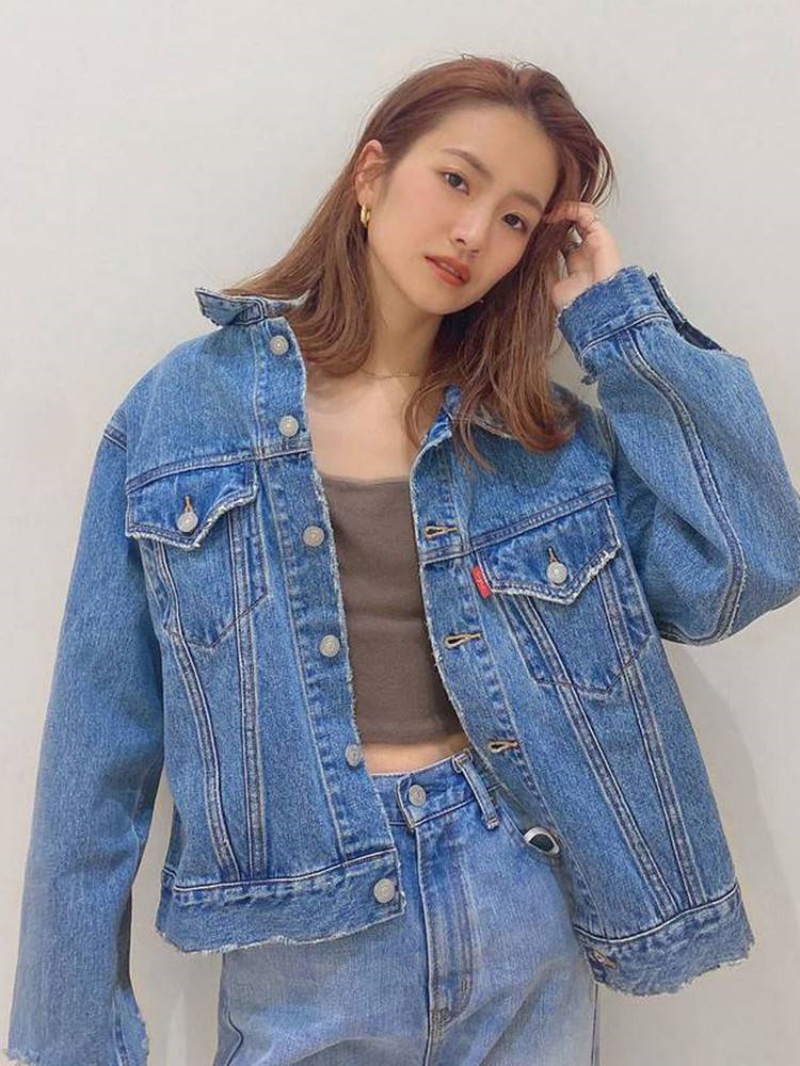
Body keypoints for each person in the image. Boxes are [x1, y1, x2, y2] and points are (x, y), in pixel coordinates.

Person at [6, 55, 800, 1066]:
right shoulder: (185, 413)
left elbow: (744, 562)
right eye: (456, 179)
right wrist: (74, 1038)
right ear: (372, 175)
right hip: (311, 934)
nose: (472, 232)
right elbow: (99, 744)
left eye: (515, 219)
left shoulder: (536, 438)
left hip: (517, 899)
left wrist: (617, 324)